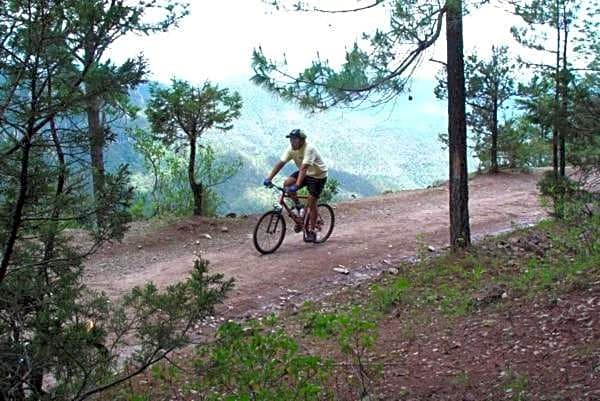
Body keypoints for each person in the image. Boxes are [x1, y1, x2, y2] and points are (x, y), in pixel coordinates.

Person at [263, 129, 328, 243]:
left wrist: (297, 185)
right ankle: (299, 206)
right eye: (291, 139)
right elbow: (280, 163)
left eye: (295, 139)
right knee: (287, 184)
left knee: (312, 202)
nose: (292, 142)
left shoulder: (309, 149)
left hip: (318, 176)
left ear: (302, 140)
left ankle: (312, 231)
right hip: (306, 173)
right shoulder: (291, 149)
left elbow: (303, 168)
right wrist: (269, 178)